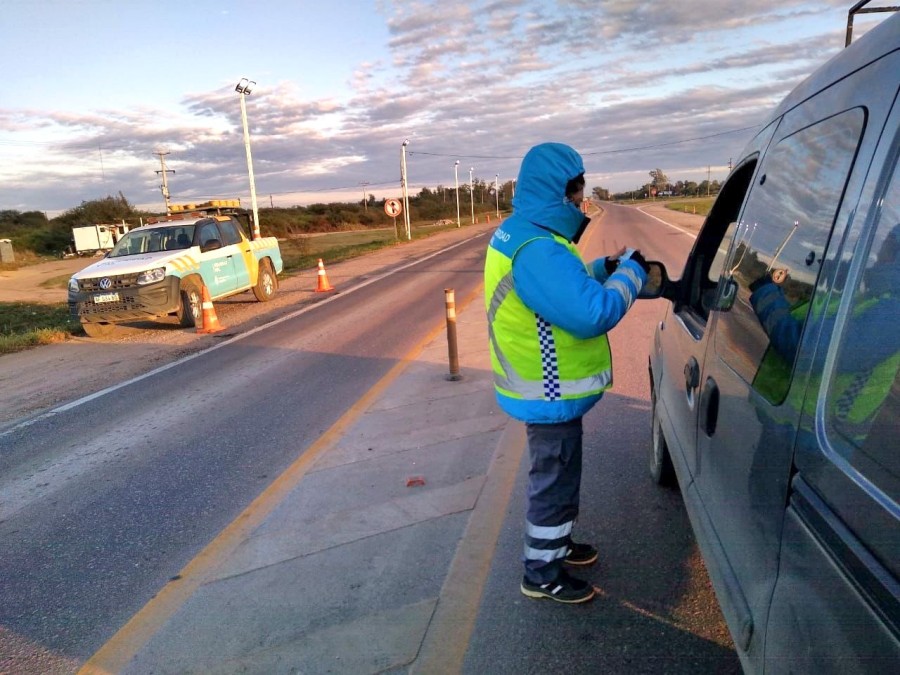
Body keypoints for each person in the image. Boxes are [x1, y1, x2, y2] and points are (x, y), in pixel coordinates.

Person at [483, 142, 649, 604]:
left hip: (546, 392)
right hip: (547, 392)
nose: (581, 201)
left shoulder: (526, 233)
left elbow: (560, 285)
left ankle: (557, 543)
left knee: (561, 475)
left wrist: (600, 268)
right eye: (578, 193)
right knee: (553, 481)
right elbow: (591, 312)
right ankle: (541, 574)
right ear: (560, 193)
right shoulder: (538, 248)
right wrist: (630, 275)